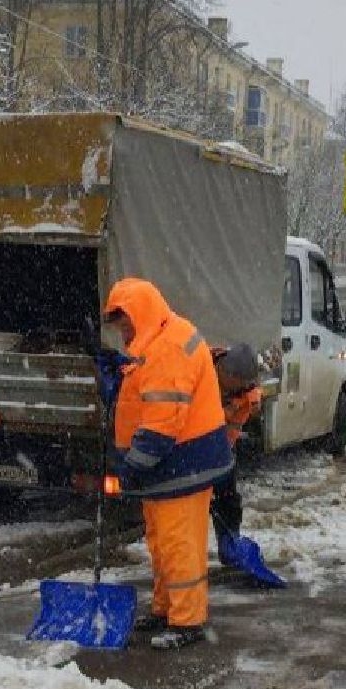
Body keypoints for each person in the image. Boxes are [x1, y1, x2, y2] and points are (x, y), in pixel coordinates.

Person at [102, 278, 234, 649]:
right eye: (119, 326)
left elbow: (162, 425)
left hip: (182, 465)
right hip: (168, 467)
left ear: (140, 314)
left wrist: (131, 467)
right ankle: (166, 609)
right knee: (161, 542)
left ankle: (187, 621)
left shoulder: (167, 349)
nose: (123, 333)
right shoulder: (154, 340)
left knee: (179, 545)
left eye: (125, 323)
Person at [209, 343, 262, 546]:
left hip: (221, 448)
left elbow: (253, 388)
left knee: (229, 500)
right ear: (226, 373)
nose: (243, 387)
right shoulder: (202, 369)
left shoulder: (245, 392)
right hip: (191, 446)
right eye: (240, 383)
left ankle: (230, 544)